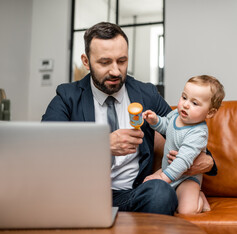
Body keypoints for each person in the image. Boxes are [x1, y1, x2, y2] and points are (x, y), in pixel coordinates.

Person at [41, 22, 217, 216]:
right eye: (105, 62)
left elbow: (185, 131)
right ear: (86, 61)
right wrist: (101, 144)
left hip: (131, 194)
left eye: (122, 61)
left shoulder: (147, 94)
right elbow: (46, 146)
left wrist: (208, 161)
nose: (116, 71)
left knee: (160, 192)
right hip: (80, 194)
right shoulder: (68, 96)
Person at [142, 75, 224, 214]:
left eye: (195, 103)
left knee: (186, 210)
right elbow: (166, 127)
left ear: (210, 112)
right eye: (184, 97)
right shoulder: (176, 115)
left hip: (187, 177)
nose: (185, 104)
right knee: (146, 184)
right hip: (168, 169)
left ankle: (199, 198)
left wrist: (162, 178)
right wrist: (155, 121)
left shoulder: (198, 133)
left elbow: (183, 161)